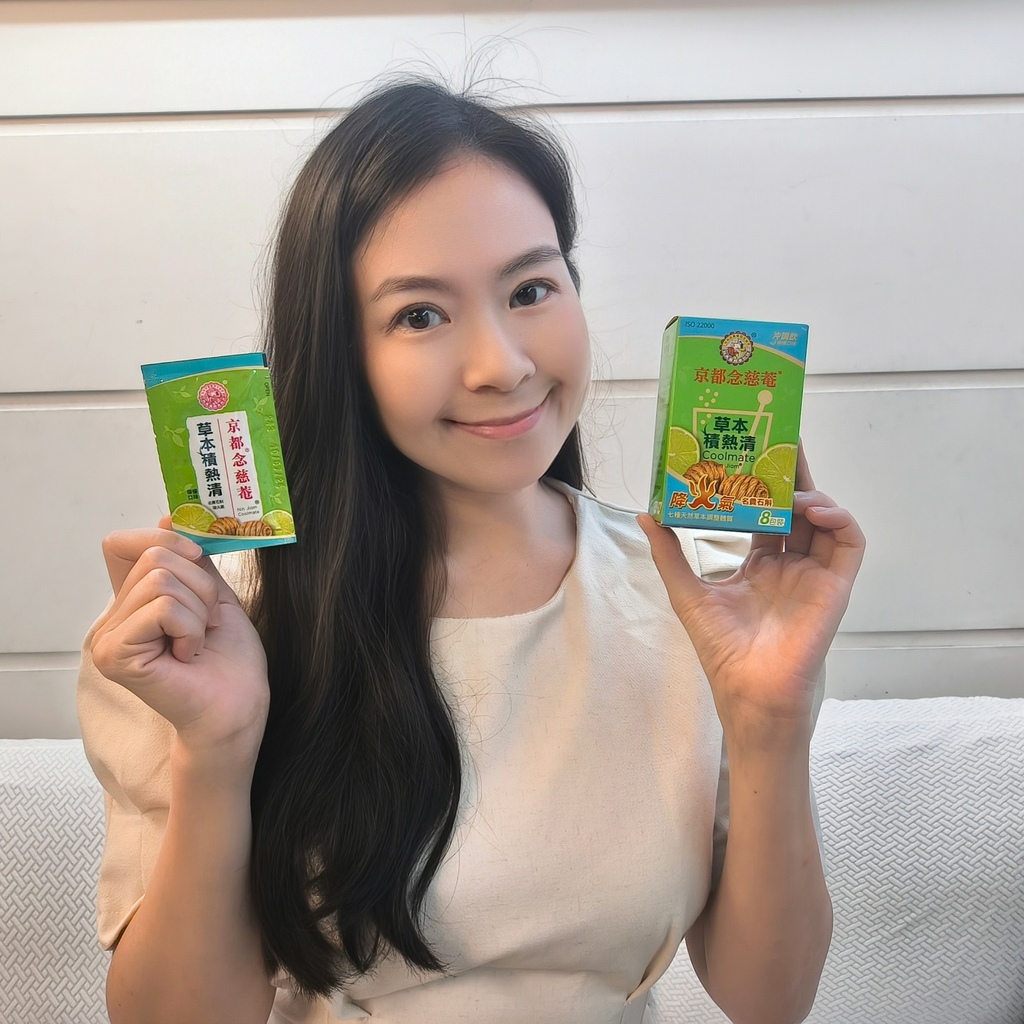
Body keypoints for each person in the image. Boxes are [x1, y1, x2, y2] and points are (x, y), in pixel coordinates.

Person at [78, 78, 865, 1024]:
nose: (504, 365)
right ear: (341, 351)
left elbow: (770, 1001)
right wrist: (218, 749)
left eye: (531, 290)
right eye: (420, 314)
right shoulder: (209, 627)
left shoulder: (704, 602)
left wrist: (769, 718)